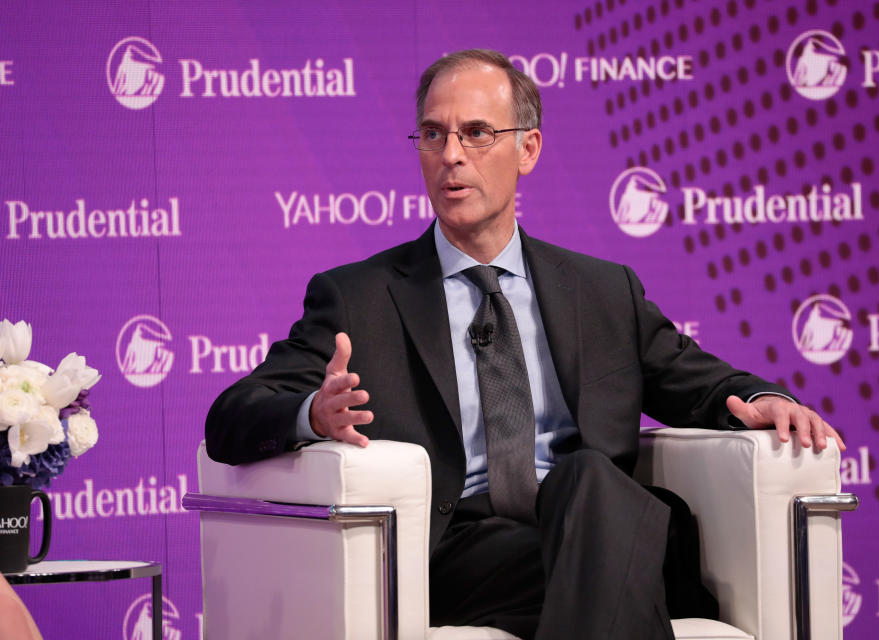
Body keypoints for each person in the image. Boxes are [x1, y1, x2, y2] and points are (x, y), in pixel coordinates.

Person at [206, 48, 845, 640]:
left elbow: (693, 378)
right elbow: (229, 418)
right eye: (434, 134)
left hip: (590, 518)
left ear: (528, 149)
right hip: (464, 549)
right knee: (617, 565)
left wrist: (759, 396)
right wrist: (312, 415)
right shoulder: (360, 298)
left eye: (477, 134)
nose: (451, 153)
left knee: (590, 478)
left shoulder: (601, 290)